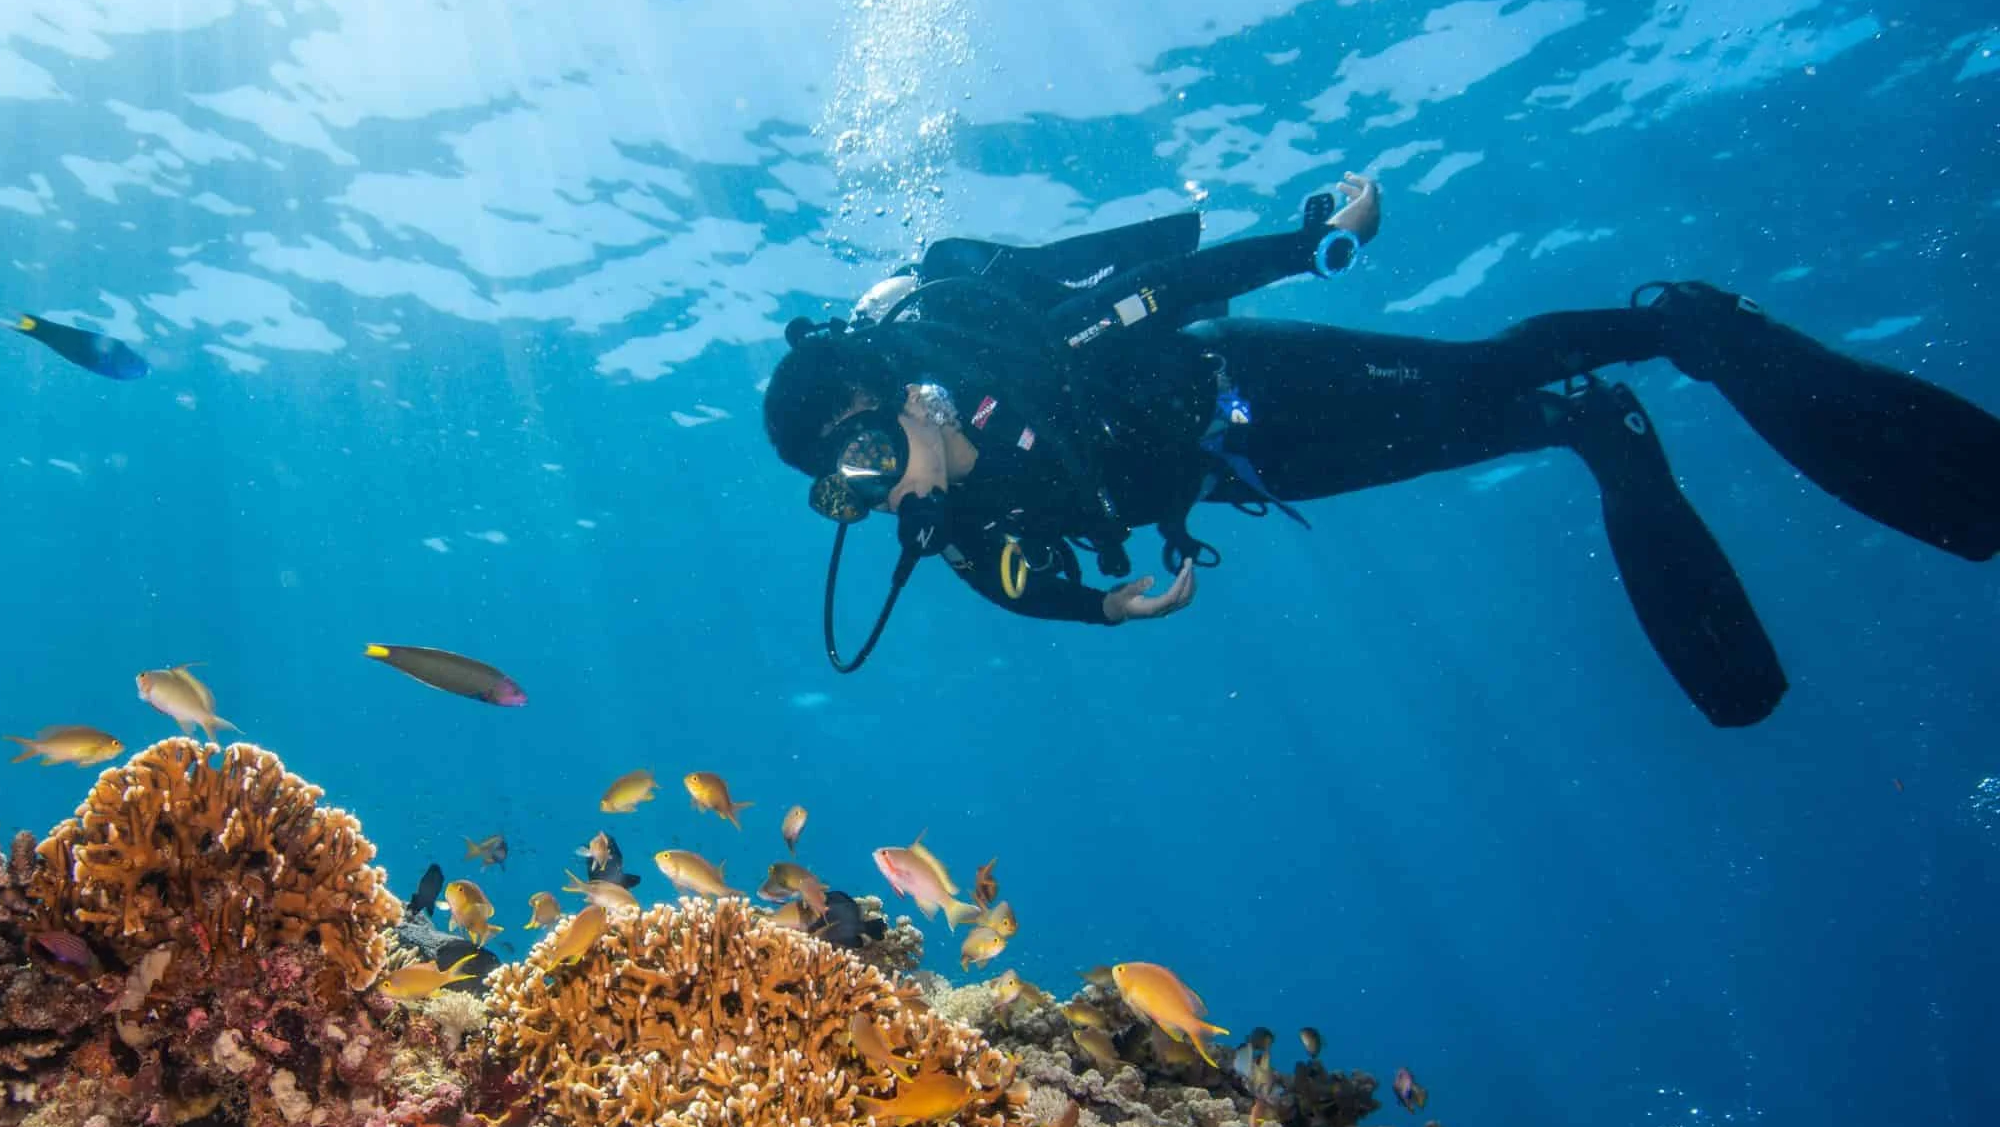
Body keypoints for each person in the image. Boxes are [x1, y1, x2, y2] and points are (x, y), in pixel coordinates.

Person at [762, 176, 2000, 726]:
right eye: (843, 488)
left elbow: (1162, 285)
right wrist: (1105, 609)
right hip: (1247, 472)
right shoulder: (942, 521)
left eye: (869, 454)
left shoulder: (1011, 359)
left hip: (1251, 381)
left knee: (1476, 372)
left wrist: (1311, 242)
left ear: (902, 398)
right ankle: (1597, 426)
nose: (874, 493)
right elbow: (1003, 581)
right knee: (1495, 425)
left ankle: (1674, 325)